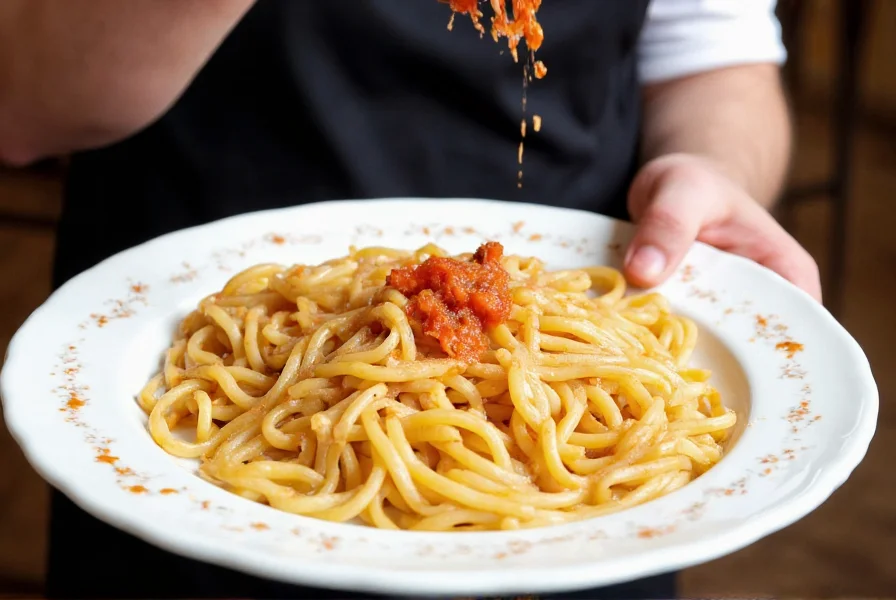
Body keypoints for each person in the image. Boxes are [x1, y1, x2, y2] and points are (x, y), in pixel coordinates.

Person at [0, 1, 821, 598]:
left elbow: (716, 58)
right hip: (206, 439)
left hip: (575, 487)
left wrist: (714, 168)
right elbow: (24, 102)